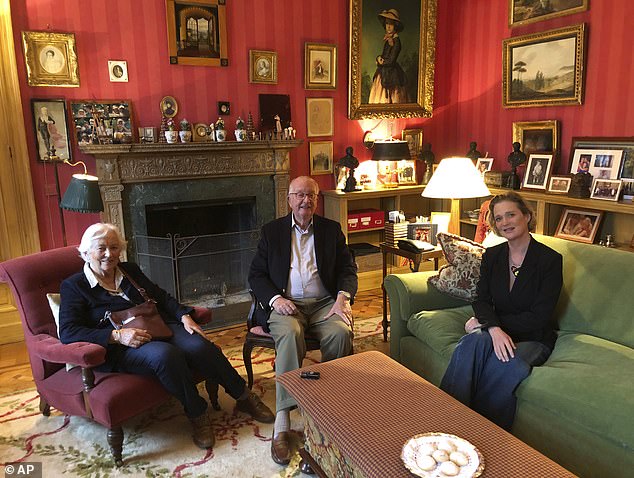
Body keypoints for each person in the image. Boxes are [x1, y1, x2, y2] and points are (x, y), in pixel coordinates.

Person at [59, 223, 274, 450]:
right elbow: (68, 331)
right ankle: (197, 414)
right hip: (123, 346)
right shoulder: (74, 287)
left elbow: (160, 296)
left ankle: (243, 396)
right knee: (166, 356)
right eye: (101, 248)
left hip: (159, 325)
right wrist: (116, 336)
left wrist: (184, 316)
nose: (109, 254)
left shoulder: (129, 270)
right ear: (85, 252)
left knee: (200, 346)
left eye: (114, 247)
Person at [248, 176, 357, 465]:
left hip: (324, 304)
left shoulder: (331, 230)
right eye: (299, 195)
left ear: (317, 199)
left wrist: (342, 297)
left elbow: (348, 268)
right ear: (289, 199)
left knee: (339, 333)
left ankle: (327, 408)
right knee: (290, 334)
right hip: (287, 305)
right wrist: (275, 300)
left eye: (310, 195)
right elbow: (256, 275)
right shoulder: (272, 232)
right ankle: (282, 419)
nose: (305, 200)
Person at [439, 192, 563, 430]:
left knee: (506, 363)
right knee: (472, 342)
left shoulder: (549, 260)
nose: (505, 222)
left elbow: (539, 317)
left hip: (533, 337)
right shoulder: (493, 256)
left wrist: (491, 324)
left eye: (511, 214)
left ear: (526, 216)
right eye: (498, 218)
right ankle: (448, 418)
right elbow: (481, 299)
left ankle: (484, 432)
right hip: (498, 329)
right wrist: (493, 328)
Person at [368, 9, 408, 104]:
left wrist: (382, 62)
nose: (388, 26)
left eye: (391, 24)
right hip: (383, 71)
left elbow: (391, 60)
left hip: (392, 73)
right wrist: (379, 58)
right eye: (387, 23)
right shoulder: (388, 39)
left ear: (395, 25)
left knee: (392, 97)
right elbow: (385, 55)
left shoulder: (396, 41)